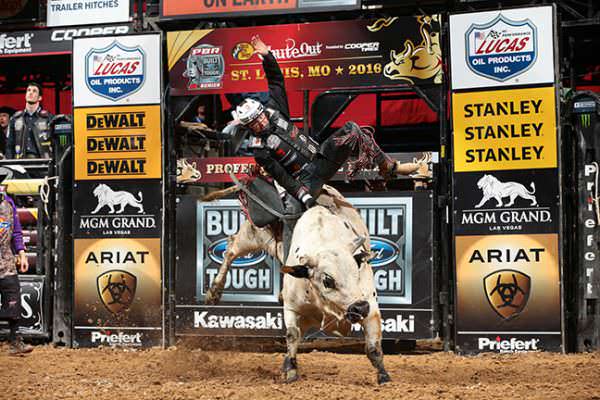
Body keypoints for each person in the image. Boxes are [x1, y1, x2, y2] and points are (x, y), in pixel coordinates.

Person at [236, 36, 397, 259]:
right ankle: (292, 264)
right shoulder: (259, 149)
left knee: (351, 129)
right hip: (303, 180)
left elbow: (275, 82)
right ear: (250, 127)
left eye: (259, 117)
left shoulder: (276, 110)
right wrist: (303, 196)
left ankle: (384, 164)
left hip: (320, 158)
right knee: (291, 214)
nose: (260, 122)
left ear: (263, 112)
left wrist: (267, 56)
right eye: (254, 123)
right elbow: (282, 177)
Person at [0, 183, 31, 355]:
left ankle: (14, 340)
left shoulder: (9, 203)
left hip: (6, 260)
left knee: (13, 299)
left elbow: (16, 231)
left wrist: (22, 253)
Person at [6, 83, 53, 159]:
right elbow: (9, 145)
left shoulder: (48, 118)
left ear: (40, 98)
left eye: (34, 91)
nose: (30, 93)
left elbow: (54, 144)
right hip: (20, 164)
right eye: (28, 90)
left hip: (42, 164)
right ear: (25, 95)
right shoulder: (15, 118)